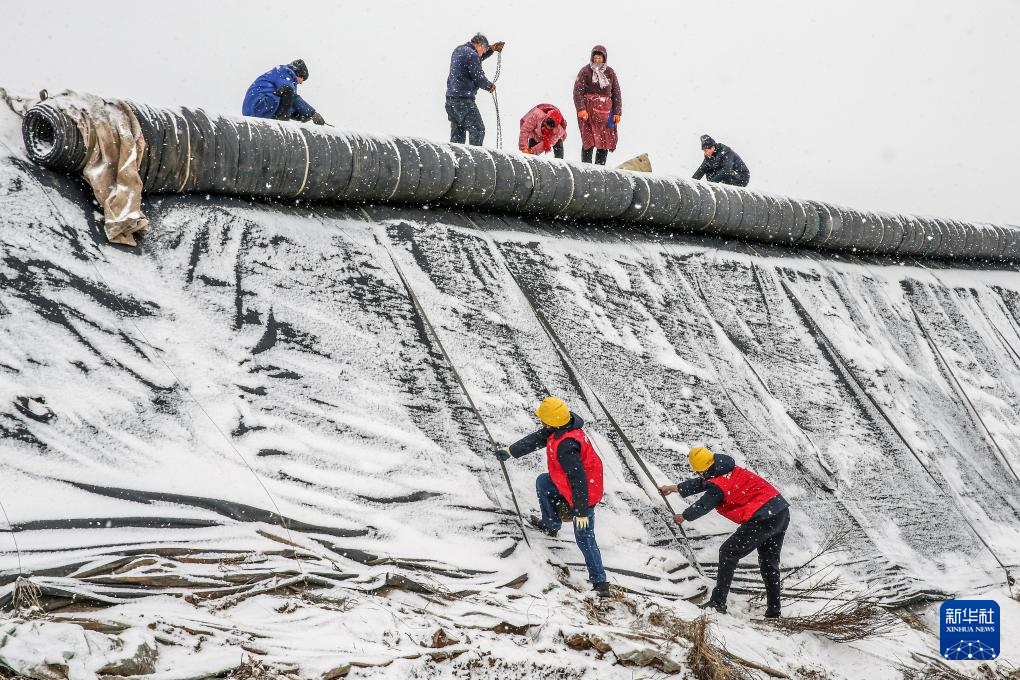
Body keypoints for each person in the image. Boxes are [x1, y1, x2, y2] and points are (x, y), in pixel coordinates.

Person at [495, 397, 609, 597]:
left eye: (543, 418)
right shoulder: (562, 426)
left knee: (584, 538)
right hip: (565, 481)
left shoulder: (566, 445)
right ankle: (551, 525)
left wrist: (581, 511)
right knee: (543, 483)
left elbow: (579, 480)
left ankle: (600, 583)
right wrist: (511, 451)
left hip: (585, 493)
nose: (541, 421)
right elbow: (537, 439)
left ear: (550, 421)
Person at [658, 446, 790, 618]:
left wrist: (684, 516)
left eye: (699, 472)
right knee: (769, 562)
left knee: (728, 552)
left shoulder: (718, 484)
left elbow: (704, 504)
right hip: (780, 512)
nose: (699, 475)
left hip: (762, 518)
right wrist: (674, 488)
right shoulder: (724, 467)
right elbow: (704, 483)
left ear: (703, 470)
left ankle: (718, 602)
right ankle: (774, 611)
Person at [446, 34, 505, 145]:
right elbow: (478, 77)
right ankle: (475, 156)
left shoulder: (459, 50)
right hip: (464, 101)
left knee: (458, 136)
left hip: (451, 101)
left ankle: (456, 155)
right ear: (479, 45)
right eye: (484, 50)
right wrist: (489, 86)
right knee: (478, 130)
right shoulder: (472, 55)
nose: (482, 54)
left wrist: (491, 49)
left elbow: (475, 58)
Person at [572, 45, 622, 165]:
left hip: (606, 113)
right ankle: (586, 168)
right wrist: (581, 109)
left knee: (604, 141)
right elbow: (577, 92)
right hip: (588, 113)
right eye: (595, 57)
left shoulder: (610, 72)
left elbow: (616, 93)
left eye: (600, 58)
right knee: (588, 140)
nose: (597, 60)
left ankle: (600, 169)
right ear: (592, 57)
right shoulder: (585, 71)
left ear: (604, 58)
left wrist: (617, 112)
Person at [242, 59, 325, 125]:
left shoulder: (279, 73)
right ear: (299, 74)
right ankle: (282, 122)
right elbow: (293, 98)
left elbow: (287, 102)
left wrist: (301, 115)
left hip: (254, 109)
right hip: (258, 106)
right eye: (303, 79)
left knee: (289, 100)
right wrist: (312, 113)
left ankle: (284, 118)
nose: (301, 83)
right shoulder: (285, 73)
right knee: (288, 91)